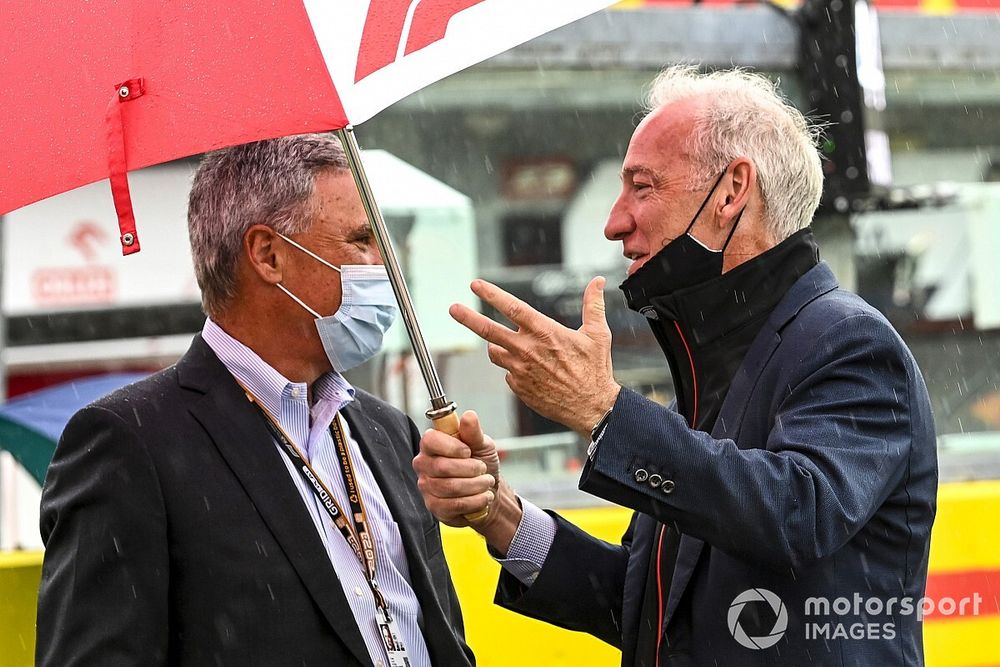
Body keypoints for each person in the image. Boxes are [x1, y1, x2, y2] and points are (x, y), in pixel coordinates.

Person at [414, 67, 938, 665]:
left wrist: (603, 411)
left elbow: (799, 516)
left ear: (732, 192)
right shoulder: (712, 358)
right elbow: (652, 611)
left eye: (642, 186)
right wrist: (500, 514)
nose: (614, 222)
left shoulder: (849, 341)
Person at [37, 134, 474, 667]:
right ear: (268, 256)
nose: (387, 263)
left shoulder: (389, 431)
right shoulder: (131, 441)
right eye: (363, 240)